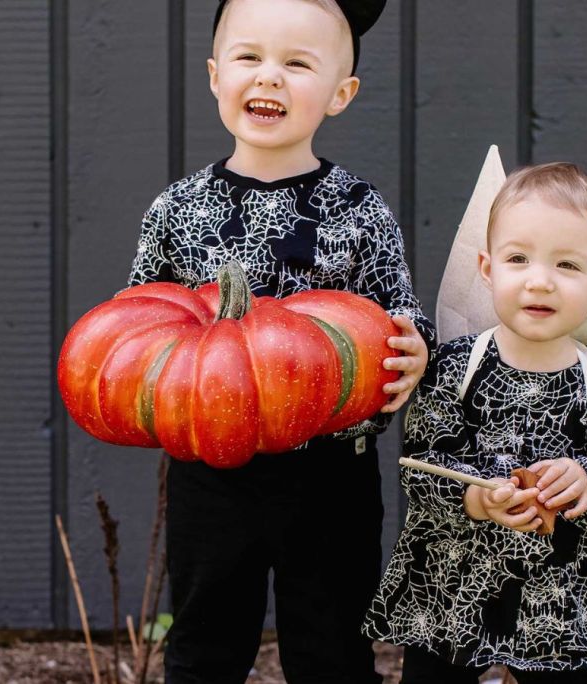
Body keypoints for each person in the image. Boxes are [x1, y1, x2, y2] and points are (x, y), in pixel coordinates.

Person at [128, 1, 434, 682]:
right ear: (214, 76)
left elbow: (399, 314)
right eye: (249, 58)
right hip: (211, 469)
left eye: (297, 64)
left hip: (331, 469)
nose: (269, 78)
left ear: (340, 94)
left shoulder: (359, 208)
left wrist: (415, 351)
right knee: (206, 640)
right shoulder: (177, 209)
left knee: (332, 644)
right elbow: (141, 328)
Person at [364, 162, 587, 683]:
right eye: (519, 258)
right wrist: (477, 498)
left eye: (568, 266)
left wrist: (586, 481)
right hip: (456, 581)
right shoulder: (456, 368)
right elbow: (420, 467)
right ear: (487, 269)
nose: (539, 280)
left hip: (563, 591)